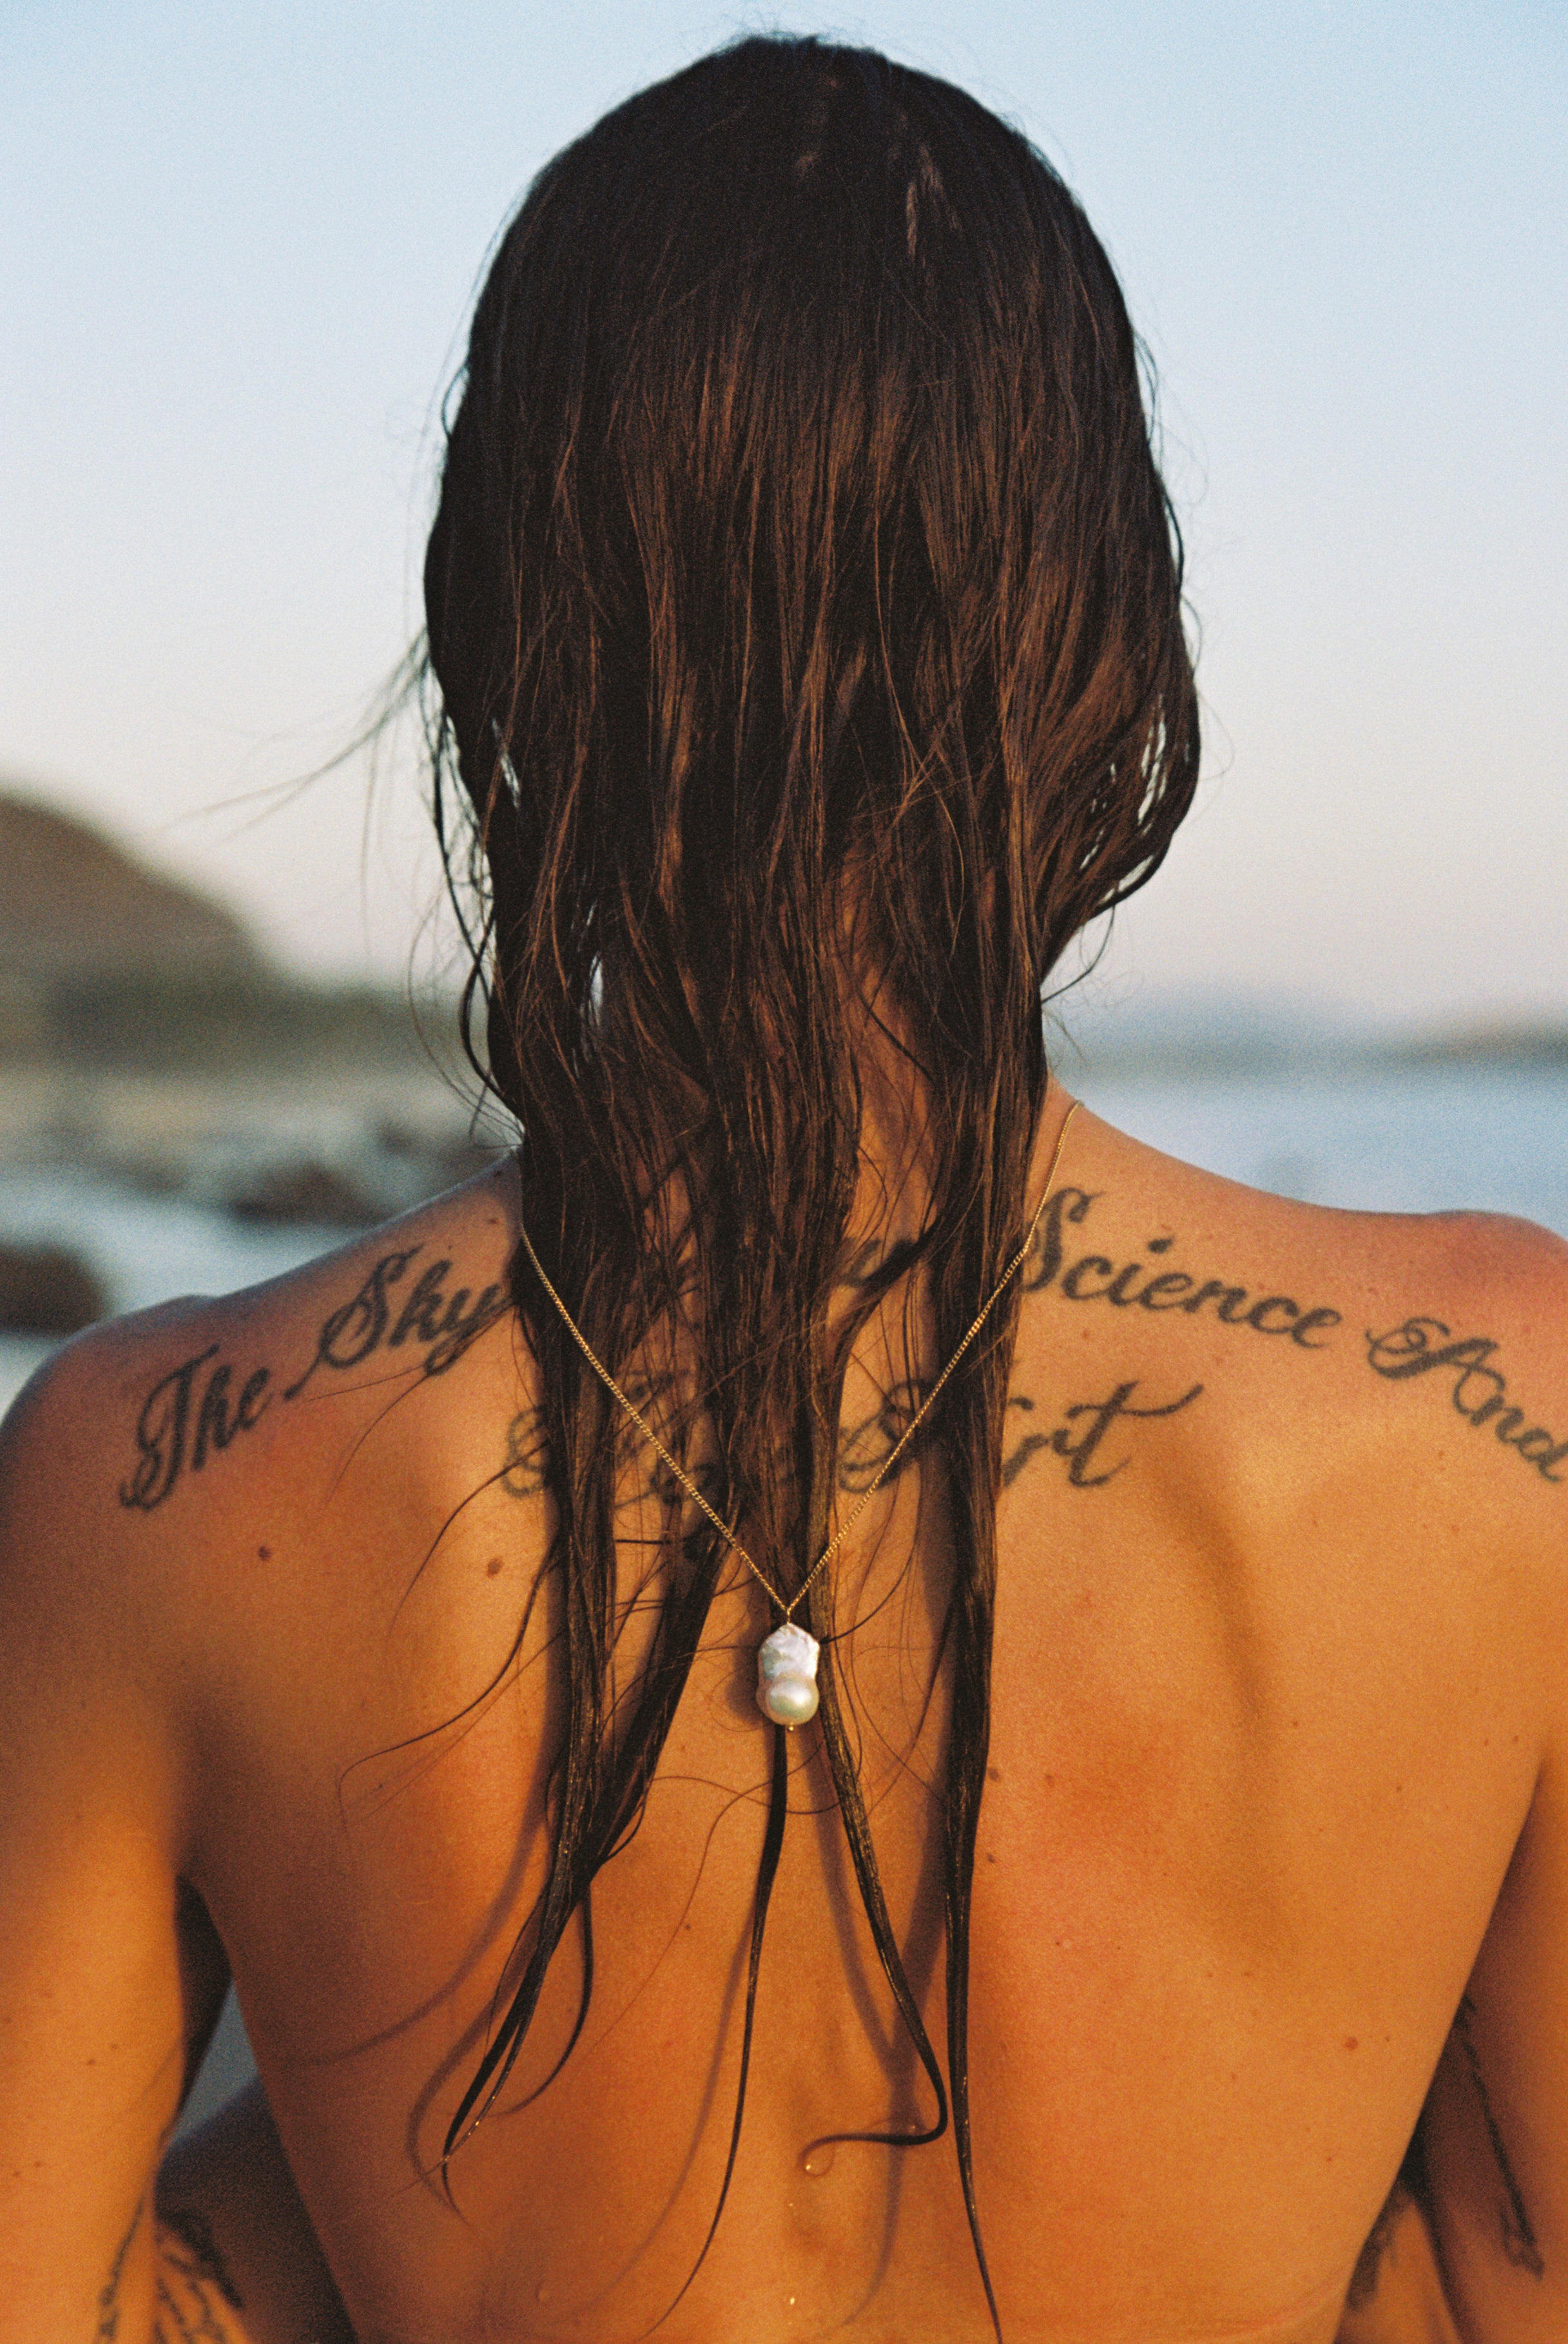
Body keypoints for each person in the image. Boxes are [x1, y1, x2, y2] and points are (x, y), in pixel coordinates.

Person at [1, 33, 1564, 2344]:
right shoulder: (1496, 1419)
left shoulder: (152, 1476)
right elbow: (1506, 2276)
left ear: (502, 650)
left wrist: (376, 2115)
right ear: (1113, 653)